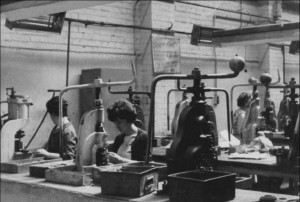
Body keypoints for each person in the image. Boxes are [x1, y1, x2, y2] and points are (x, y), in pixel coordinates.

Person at [106, 99, 148, 164]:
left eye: (119, 123)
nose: (117, 126)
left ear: (129, 119)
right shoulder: (119, 139)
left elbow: (145, 165)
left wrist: (120, 160)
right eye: (115, 123)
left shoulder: (144, 138)